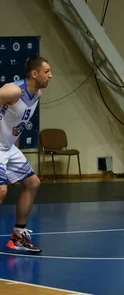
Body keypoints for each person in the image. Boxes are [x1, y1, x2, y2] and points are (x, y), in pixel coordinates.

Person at [1, 56, 52, 253]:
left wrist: (15, 149)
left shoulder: (36, 94)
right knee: (1, 191)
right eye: (46, 71)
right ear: (34, 73)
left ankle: (18, 237)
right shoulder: (14, 90)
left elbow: (16, 124)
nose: (50, 75)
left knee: (32, 183)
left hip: (8, 147)